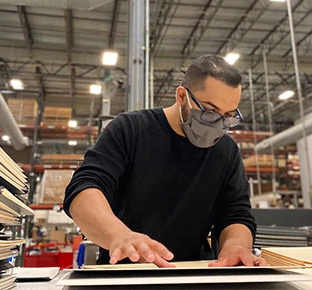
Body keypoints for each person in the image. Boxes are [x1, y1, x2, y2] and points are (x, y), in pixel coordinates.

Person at [62, 55, 265, 267]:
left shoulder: (227, 150)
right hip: (127, 270)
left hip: (193, 271)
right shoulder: (131, 129)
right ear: (181, 96)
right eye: (210, 111)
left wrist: (236, 245)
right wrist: (119, 236)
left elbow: (235, 212)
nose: (218, 124)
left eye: (228, 116)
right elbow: (84, 189)